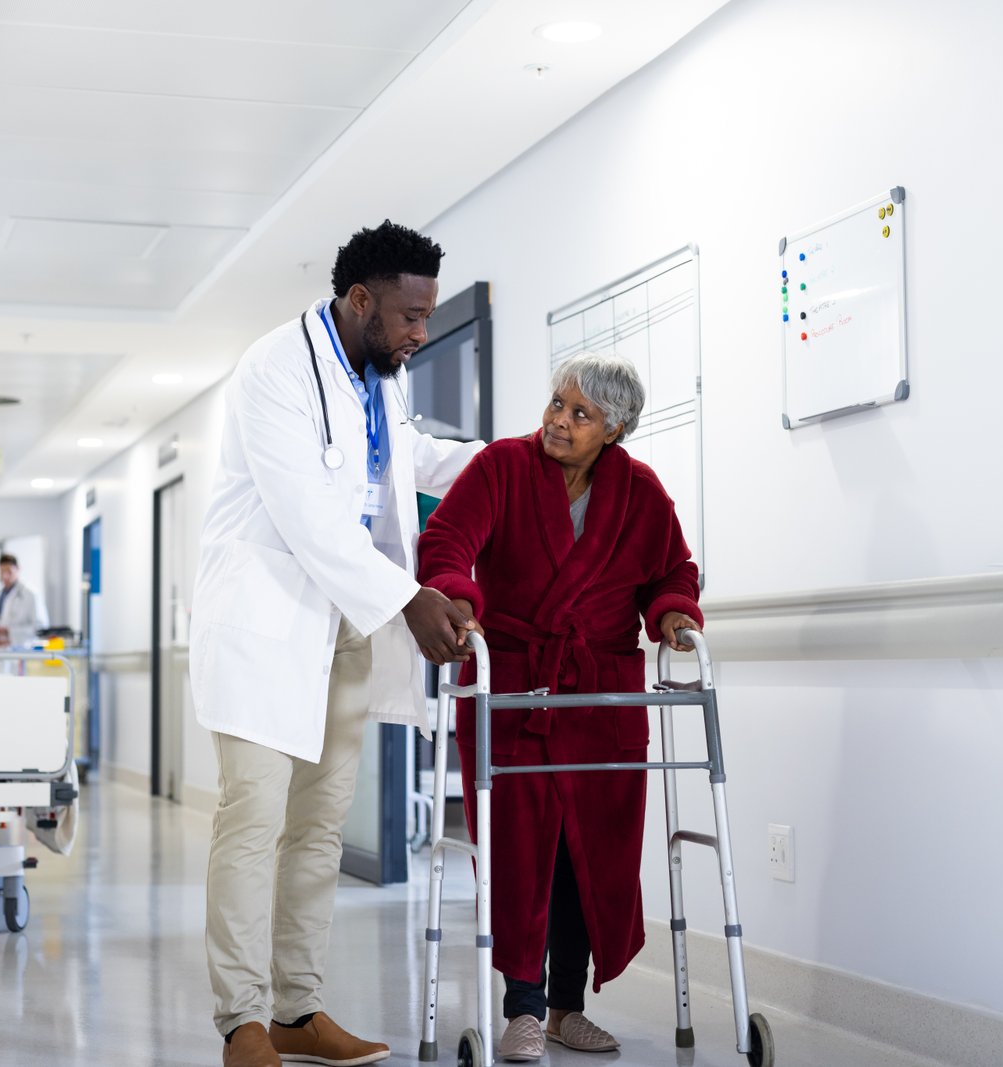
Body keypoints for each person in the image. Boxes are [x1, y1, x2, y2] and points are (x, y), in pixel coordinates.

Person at [191, 221, 486, 1067]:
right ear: (361, 301)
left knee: (318, 826)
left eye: (427, 316)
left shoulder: (380, 376)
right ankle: (241, 1020)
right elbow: (308, 516)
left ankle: (298, 1009)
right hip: (266, 622)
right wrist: (410, 597)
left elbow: (407, 459)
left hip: (341, 628)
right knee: (253, 819)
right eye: (409, 315)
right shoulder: (274, 368)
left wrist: (503, 461)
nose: (420, 332)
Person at [416, 353, 704, 1062]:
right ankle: (523, 1007)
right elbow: (448, 540)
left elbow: (673, 569)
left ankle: (568, 1007)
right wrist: (458, 595)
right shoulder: (501, 468)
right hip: (518, 687)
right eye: (555, 404)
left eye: (580, 414)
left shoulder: (641, 492)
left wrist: (672, 614)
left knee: (591, 854)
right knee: (523, 851)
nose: (557, 421)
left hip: (601, 697)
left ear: (614, 428)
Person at [0, 553, 48, 654]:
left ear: (18, 569)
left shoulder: (30, 594)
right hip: (0, 649)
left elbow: (40, 628)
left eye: (9, 571)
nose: (5, 576)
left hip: (21, 650)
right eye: (2, 571)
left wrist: (10, 631)